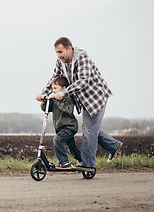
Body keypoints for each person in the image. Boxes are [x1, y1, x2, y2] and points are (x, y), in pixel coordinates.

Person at [36, 37, 123, 170]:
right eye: (56, 53)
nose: (59, 56)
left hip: (96, 97)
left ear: (69, 49)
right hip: (83, 99)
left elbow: (83, 81)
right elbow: (54, 79)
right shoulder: (61, 62)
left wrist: (64, 93)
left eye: (60, 52)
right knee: (91, 128)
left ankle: (88, 164)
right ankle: (113, 146)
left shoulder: (82, 58)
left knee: (89, 129)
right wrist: (44, 94)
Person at [41, 75, 82, 169]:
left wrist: (58, 99)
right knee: (72, 148)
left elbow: (68, 110)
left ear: (63, 88)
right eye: (52, 88)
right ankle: (83, 161)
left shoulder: (68, 98)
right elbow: (45, 108)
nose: (53, 90)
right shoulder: (55, 99)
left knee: (57, 140)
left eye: (55, 88)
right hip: (60, 128)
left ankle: (64, 162)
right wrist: (45, 100)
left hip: (69, 127)